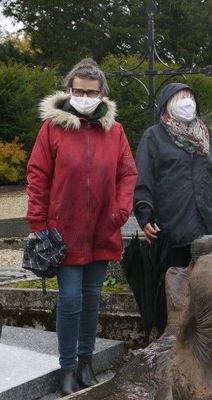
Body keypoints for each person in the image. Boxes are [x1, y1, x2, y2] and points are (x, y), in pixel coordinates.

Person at [26, 58, 138, 395]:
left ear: (101, 94)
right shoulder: (52, 129)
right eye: (78, 91)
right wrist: (38, 222)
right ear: (69, 90)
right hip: (65, 231)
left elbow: (127, 174)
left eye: (90, 92)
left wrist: (119, 211)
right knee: (70, 298)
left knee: (92, 298)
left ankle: (87, 361)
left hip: (103, 228)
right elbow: (38, 175)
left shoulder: (114, 131)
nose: (84, 97)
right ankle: (67, 366)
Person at [133, 83, 212, 330]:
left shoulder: (204, 136)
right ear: (167, 104)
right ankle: (171, 341)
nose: (187, 102)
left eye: (190, 97)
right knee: (172, 291)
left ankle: (203, 341)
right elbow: (143, 178)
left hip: (204, 225)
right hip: (171, 227)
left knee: (204, 288)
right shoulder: (154, 136)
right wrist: (144, 214)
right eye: (180, 98)